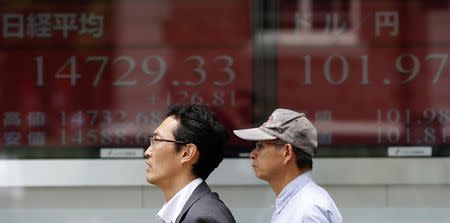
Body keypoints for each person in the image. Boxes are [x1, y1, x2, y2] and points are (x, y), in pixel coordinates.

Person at [233, 108, 342, 223]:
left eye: (260, 146)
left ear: (287, 152)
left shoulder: (307, 212)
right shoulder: (298, 203)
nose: (252, 154)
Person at [144, 104, 236, 223]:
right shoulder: (190, 211)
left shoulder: (204, 217)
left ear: (187, 153)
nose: (147, 152)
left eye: (157, 140)